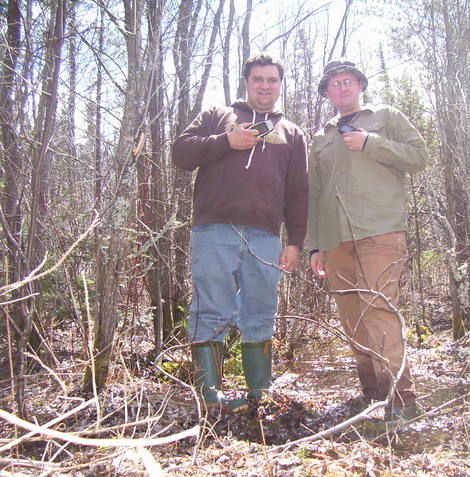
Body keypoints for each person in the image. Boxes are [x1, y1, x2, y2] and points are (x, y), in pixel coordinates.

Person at [172, 53, 308, 413]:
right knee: (211, 308)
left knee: (260, 311)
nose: (265, 85)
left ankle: (259, 392)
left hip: (265, 235)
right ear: (246, 82)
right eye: (258, 79)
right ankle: (211, 393)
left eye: (272, 80)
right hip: (213, 228)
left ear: (280, 84)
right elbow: (181, 154)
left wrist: (295, 241)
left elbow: (298, 193)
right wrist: (225, 141)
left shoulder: (291, 133)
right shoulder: (218, 116)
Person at [307, 59, 428, 422]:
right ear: (326, 93)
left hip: (380, 230)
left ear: (360, 85)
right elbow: (314, 193)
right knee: (353, 318)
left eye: (348, 81)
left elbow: (419, 157)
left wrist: (372, 143)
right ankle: (373, 394)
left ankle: (402, 400)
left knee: (378, 309)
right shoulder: (320, 138)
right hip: (335, 240)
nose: (342, 88)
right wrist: (315, 245)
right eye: (334, 84)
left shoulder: (386, 117)